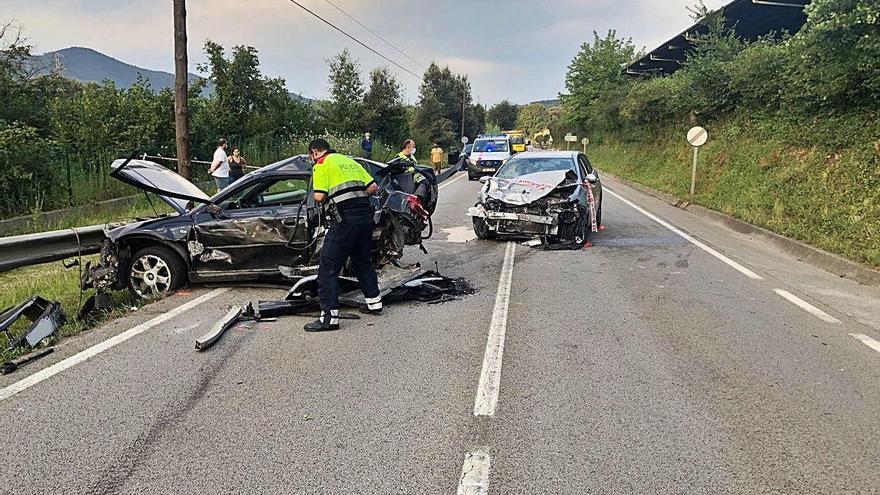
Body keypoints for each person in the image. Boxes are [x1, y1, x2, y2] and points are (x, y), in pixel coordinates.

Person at [304, 138, 382, 332]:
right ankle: (374, 303)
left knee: (328, 268)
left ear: (315, 152)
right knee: (363, 261)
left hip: (344, 220)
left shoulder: (322, 164)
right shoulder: (350, 161)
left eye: (310, 156)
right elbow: (373, 187)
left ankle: (329, 318)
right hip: (365, 218)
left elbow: (319, 197)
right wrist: (355, 196)